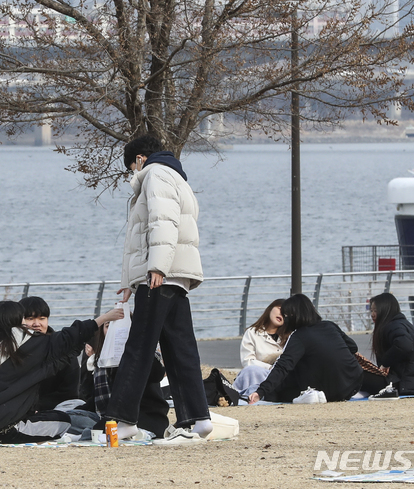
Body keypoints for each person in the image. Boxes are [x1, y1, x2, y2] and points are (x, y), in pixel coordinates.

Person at [104, 134, 212, 443]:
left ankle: (123, 421)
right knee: (181, 349)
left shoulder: (154, 174)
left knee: (139, 347)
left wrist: (156, 267)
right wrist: (128, 283)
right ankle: (198, 417)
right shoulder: (176, 176)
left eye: (131, 167)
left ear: (139, 159)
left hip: (160, 274)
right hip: (174, 275)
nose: (131, 174)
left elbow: (162, 223)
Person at [0, 300, 124, 443]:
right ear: (18, 321)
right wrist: (105, 317)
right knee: (63, 421)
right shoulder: (29, 346)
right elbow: (70, 336)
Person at [248, 294, 363, 404]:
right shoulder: (329, 325)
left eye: (286, 316)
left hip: (327, 391)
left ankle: (306, 394)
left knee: (285, 381)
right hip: (354, 383)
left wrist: (261, 391)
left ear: (293, 316)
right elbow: (353, 347)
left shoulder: (298, 336)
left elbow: (282, 367)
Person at [88, 321, 170, 439]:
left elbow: (157, 374)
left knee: (95, 429)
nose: (113, 330)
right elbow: (91, 399)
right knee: (74, 419)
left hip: (146, 419)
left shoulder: (140, 354)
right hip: (108, 417)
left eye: (120, 326)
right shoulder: (101, 359)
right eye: (108, 326)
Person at [19, 296, 81, 411]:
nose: (37, 324)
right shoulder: (11, 349)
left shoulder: (62, 348)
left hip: (55, 410)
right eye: (30, 318)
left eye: (42, 318)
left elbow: (70, 392)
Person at [366, 292, 414, 396]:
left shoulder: (392, 325)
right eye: (371, 311)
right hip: (413, 383)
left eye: (376, 311)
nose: (372, 314)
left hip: (402, 384)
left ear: (385, 310)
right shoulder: (402, 323)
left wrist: (385, 363)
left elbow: (404, 345)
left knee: (359, 375)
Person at [233, 299, 285, 397]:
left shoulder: (289, 337)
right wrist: (270, 368)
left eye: (285, 314)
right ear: (270, 308)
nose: (281, 314)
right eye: (279, 309)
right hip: (257, 375)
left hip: (278, 378)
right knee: (251, 370)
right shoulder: (252, 333)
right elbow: (248, 361)